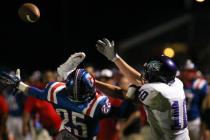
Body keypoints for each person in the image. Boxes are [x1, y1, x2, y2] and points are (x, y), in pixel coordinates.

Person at [0, 52, 131, 140]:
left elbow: (37, 93)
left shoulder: (56, 92)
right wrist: (131, 94)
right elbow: (122, 112)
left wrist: (19, 85)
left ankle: (67, 73)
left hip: (64, 134)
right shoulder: (96, 106)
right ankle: (67, 73)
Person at [95, 38, 190, 140]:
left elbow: (119, 93)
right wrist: (115, 58)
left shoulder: (156, 92)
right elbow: (139, 79)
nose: (145, 76)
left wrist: (93, 82)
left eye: (148, 73)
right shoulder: (176, 83)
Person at [180, 59, 208, 140]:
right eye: (186, 71)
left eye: (191, 71)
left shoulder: (199, 84)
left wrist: (205, 125)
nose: (188, 73)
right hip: (179, 122)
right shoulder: (177, 84)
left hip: (195, 120)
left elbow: (205, 106)